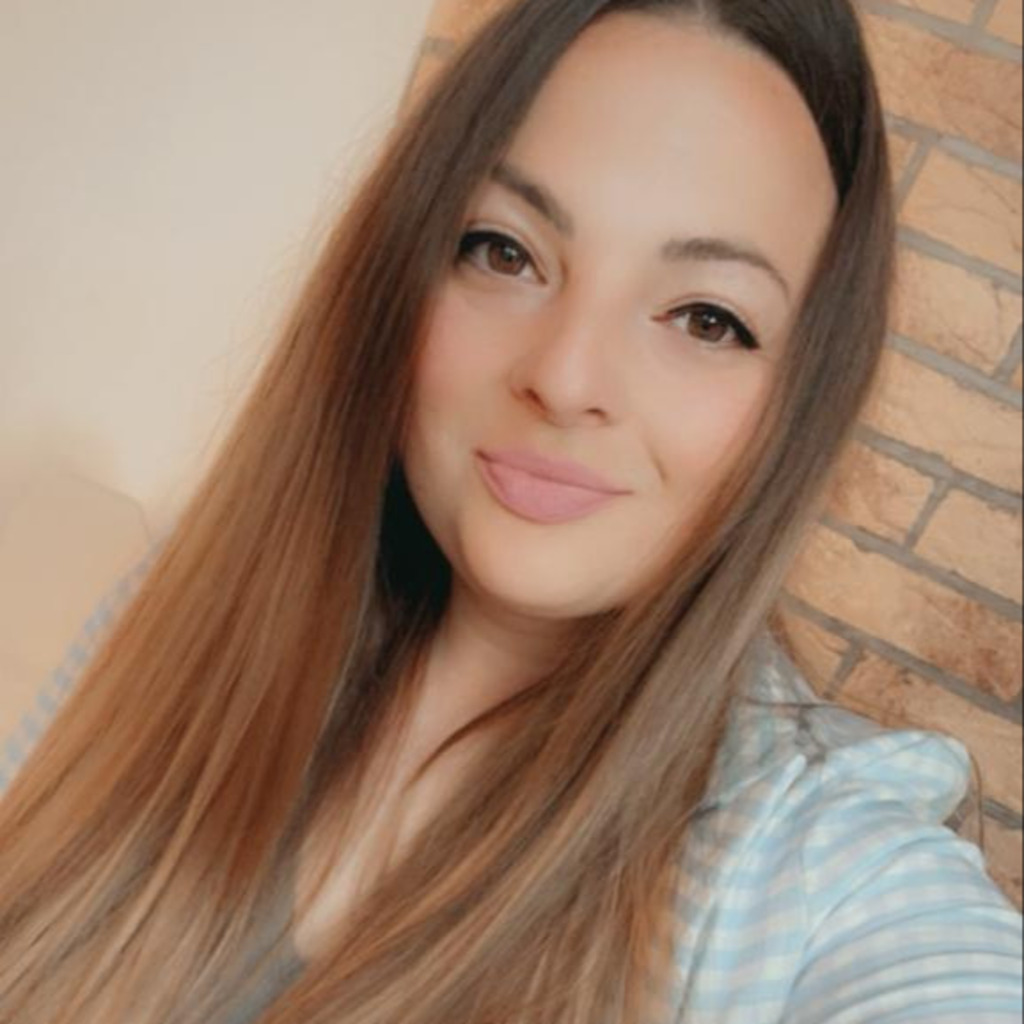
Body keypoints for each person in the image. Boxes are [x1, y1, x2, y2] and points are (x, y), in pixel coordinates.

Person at [1, 0, 1021, 1021]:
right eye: (503, 251)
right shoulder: (199, 609)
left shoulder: (813, 869)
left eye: (707, 318)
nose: (565, 378)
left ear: (799, 401)